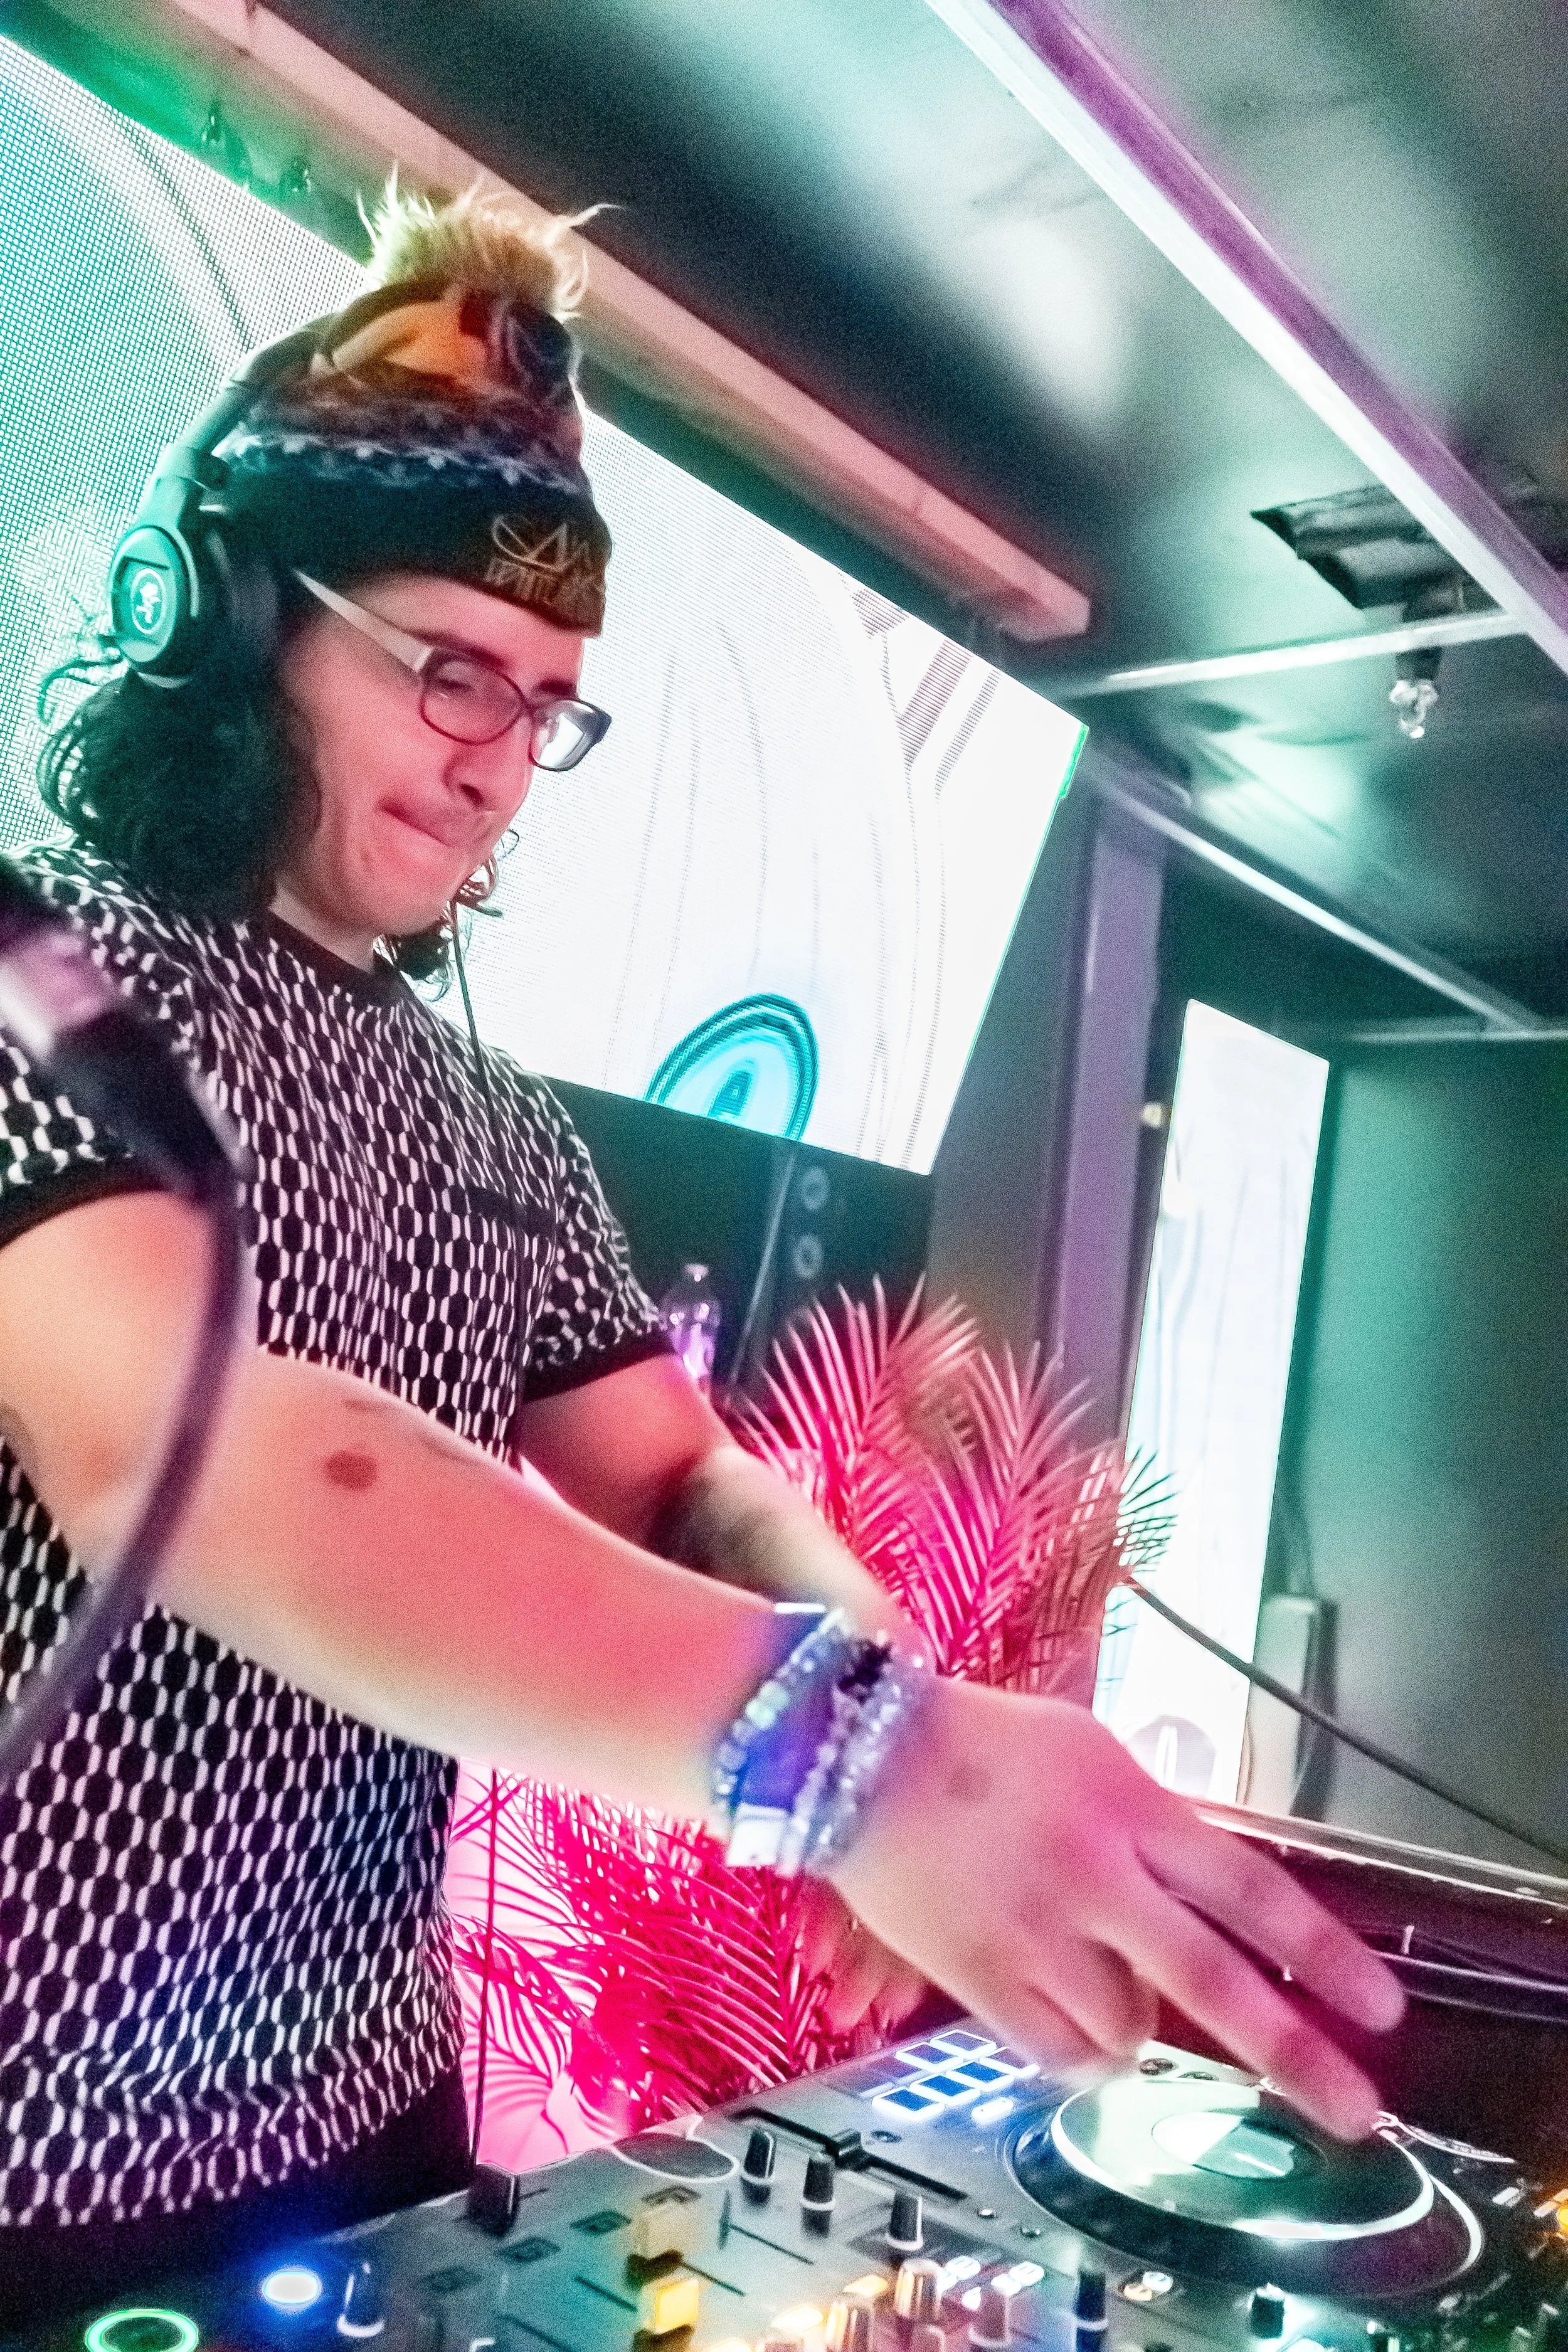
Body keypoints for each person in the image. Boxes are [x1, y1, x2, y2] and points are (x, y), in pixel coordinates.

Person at [0, 189, 1401, 2318]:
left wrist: (886, 1680)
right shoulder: (34, 977)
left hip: (376, 2149)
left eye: (548, 702)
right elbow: (188, 1459)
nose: (495, 753)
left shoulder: (496, 1121)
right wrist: (852, 1762)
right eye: (446, 662)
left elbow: (687, 1475)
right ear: (220, 609)